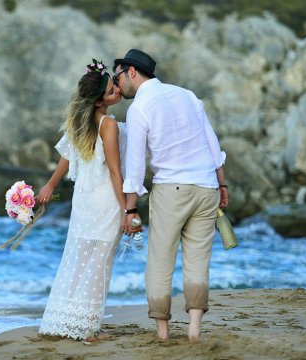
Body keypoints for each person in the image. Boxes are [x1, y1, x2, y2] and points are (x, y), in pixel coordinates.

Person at [113, 49, 229, 342]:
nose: (117, 84)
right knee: (198, 260)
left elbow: (136, 167)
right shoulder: (187, 95)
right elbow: (212, 144)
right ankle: (193, 330)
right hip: (206, 187)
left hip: (171, 190)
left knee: (161, 261)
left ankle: (163, 332)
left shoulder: (140, 107)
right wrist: (222, 185)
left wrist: (130, 209)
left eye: (118, 76)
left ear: (132, 73)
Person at [36, 59, 126, 342]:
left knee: (78, 259)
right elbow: (114, 171)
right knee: (99, 263)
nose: (118, 92)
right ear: (100, 102)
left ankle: (66, 319)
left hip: (84, 201)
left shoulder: (80, 123)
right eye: (112, 91)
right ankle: (88, 329)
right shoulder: (108, 125)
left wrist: (50, 185)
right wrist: (128, 209)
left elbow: (65, 158)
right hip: (105, 202)